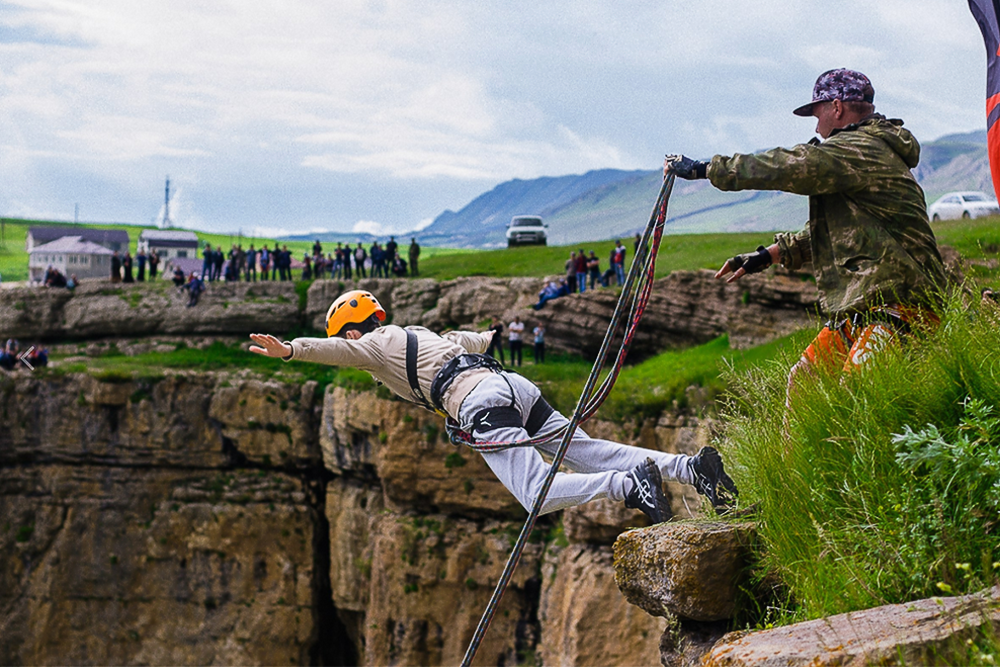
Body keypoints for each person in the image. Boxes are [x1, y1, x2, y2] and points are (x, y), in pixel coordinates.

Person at [248, 290, 738, 522]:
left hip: (480, 405)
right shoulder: (421, 335)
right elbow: (475, 338)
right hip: (513, 388)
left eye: (347, 335)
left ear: (353, 329)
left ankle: (629, 485)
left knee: (536, 495)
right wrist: (491, 332)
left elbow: (341, 352)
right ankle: (694, 469)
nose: (350, 343)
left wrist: (290, 349)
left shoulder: (373, 346)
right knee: (588, 451)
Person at [665, 68, 946, 400]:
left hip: (901, 304)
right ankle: (800, 455)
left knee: (858, 394)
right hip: (868, 306)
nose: (816, 126)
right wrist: (766, 256)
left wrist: (706, 169)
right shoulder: (866, 151)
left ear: (837, 107)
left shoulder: (858, 148)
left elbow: (791, 165)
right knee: (804, 383)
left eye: (817, 113)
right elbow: (842, 232)